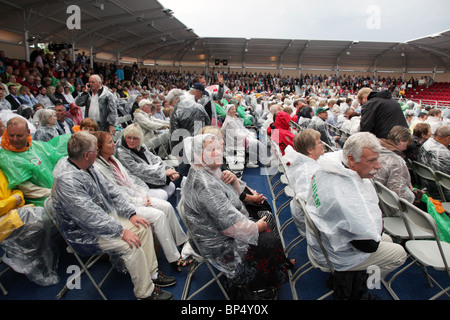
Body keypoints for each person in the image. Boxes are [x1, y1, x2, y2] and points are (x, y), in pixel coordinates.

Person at [51, 132, 174, 300]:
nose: (98, 152)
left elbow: (111, 192)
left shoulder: (86, 165)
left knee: (142, 226)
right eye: (96, 150)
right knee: (130, 243)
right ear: (87, 155)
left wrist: (130, 214)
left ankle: (152, 274)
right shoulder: (68, 182)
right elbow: (89, 217)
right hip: (84, 233)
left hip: (101, 220)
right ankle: (145, 293)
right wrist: (122, 231)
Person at [181, 133, 292, 300]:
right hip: (219, 244)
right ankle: (257, 288)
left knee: (265, 216)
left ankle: (272, 270)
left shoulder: (208, 171)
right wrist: (255, 227)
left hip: (221, 231)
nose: (218, 153)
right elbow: (228, 228)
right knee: (269, 240)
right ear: (197, 155)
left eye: (219, 148)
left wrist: (234, 182)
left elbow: (235, 201)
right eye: (211, 150)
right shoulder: (205, 185)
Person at [305, 132, 407, 297]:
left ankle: (354, 279)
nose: (379, 166)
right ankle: (361, 288)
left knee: (386, 239)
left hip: (324, 241)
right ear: (351, 159)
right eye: (372, 160)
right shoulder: (347, 195)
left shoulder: (327, 168)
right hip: (336, 254)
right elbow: (369, 245)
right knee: (399, 253)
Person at [92, 131, 191, 271]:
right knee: (158, 216)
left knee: (167, 207)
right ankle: (174, 258)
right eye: (109, 142)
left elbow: (131, 181)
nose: (114, 143)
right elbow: (117, 194)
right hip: (123, 207)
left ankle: (181, 241)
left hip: (135, 197)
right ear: (100, 147)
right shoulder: (99, 168)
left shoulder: (113, 159)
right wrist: (141, 200)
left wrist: (144, 195)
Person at [0, 169, 59, 286]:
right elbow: (12, 198)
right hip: (4, 220)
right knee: (35, 226)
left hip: (13, 211)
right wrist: (13, 200)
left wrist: (15, 198)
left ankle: (25, 255)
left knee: (41, 219)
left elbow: (15, 189)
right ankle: (15, 255)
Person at [0, 117, 69, 207]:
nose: (14, 139)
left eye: (19, 135)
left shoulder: (39, 146)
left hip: (57, 194)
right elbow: (28, 190)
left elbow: (60, 163)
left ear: (28, 132)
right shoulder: (5, 158)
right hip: (39, 204)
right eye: (11, 135)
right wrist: (55, 193)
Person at [115, 124, 178, 201]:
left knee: (171, 186)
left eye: (135, 138)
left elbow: (155, 159)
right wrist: (163, 172)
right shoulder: (121, 152)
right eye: (128, 137)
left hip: (148, 177)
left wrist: (169, 169)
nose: (131, 141)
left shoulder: (141, 146)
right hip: (136, 184)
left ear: (140, 139)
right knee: (163, 194)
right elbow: (138, 170)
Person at [282, 129, 324, 236]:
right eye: (319, 142)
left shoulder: (308, 165)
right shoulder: (308, 173)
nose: (322, 144)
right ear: (310, 150)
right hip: (317, 229)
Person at [373, 126, 422, 215]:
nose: (405, 149)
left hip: (374, 200)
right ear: (401, 140)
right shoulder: (396, 161)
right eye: (406, 145)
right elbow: (398, 193)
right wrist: (414, 195)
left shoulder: (375, 151)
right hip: (388, 208)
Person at [168, 87, 210, 177]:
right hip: (201, 143)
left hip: (185, 147)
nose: (171, 105)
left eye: (171, 103)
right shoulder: (198, 106)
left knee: (186, 174)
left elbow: (175, 133)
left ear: (176, 99)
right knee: (201, 171)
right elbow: (208, 122)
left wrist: (175, 152)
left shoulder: (176, 112)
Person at [221, 103, 268, 168]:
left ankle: (261, 159)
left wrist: (246, 133)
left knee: (254, 141)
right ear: (228, 111)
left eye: (234, 109)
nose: (234, 110)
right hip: (235, 141)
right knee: (253, 142)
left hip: (238, 138)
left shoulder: (232, 119)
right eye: (232, 109)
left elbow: (239, 129)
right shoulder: (230, 121)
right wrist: (246, 134)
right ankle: (252, 161)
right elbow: (235, 135)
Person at [418, 125, 450, 200]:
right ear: (447, 138)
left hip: (428, 186)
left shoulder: (426, 144)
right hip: (442, 192)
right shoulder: (443, 154)